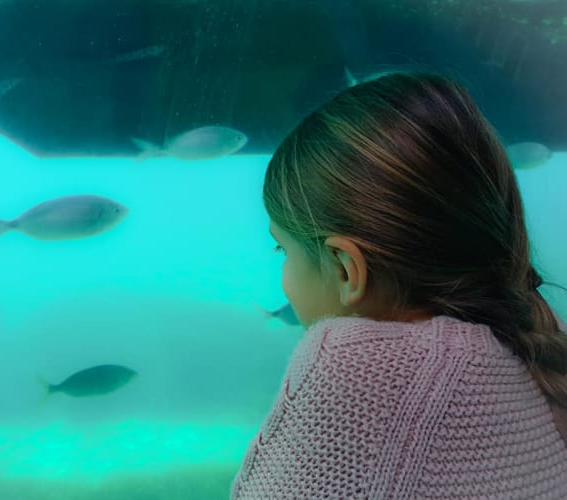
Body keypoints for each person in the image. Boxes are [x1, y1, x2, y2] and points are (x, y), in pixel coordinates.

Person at [231, 72, 567, 499]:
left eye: (283, 250)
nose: (284, 274)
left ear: (346, 269)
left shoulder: (356, 369)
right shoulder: (533, 346)